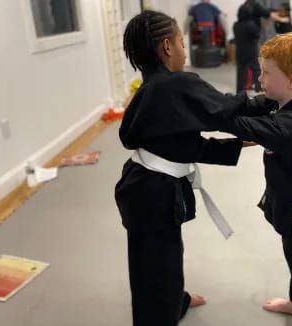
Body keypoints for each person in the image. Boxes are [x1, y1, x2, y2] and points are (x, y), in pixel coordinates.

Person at [115, 10, 253, 326]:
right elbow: (226, 108)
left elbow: (183, 146)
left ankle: (177, 300)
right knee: (159, 266)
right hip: (154, 194)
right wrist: (268, 109)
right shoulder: (176, 84)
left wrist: (239, 144)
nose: (184, 50)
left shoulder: (150, 90)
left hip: (141, 188)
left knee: (154, 262)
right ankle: (165, 311)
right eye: (180, 42)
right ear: (166, 47)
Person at [225, 33, 292, 326]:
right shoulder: (279, 102)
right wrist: (202, 100)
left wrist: (200, 115)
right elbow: (244, 106)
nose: (260, 78)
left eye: (267, 73)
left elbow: (241, 124)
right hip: (289, 200)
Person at [233, 4, 261, 93]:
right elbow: (257, 36)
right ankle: (258, 88)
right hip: (251, 51)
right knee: (256, 70)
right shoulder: (251, 25)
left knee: (240, 72)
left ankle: (240, 91)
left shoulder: (236, 25)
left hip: (240, 51)